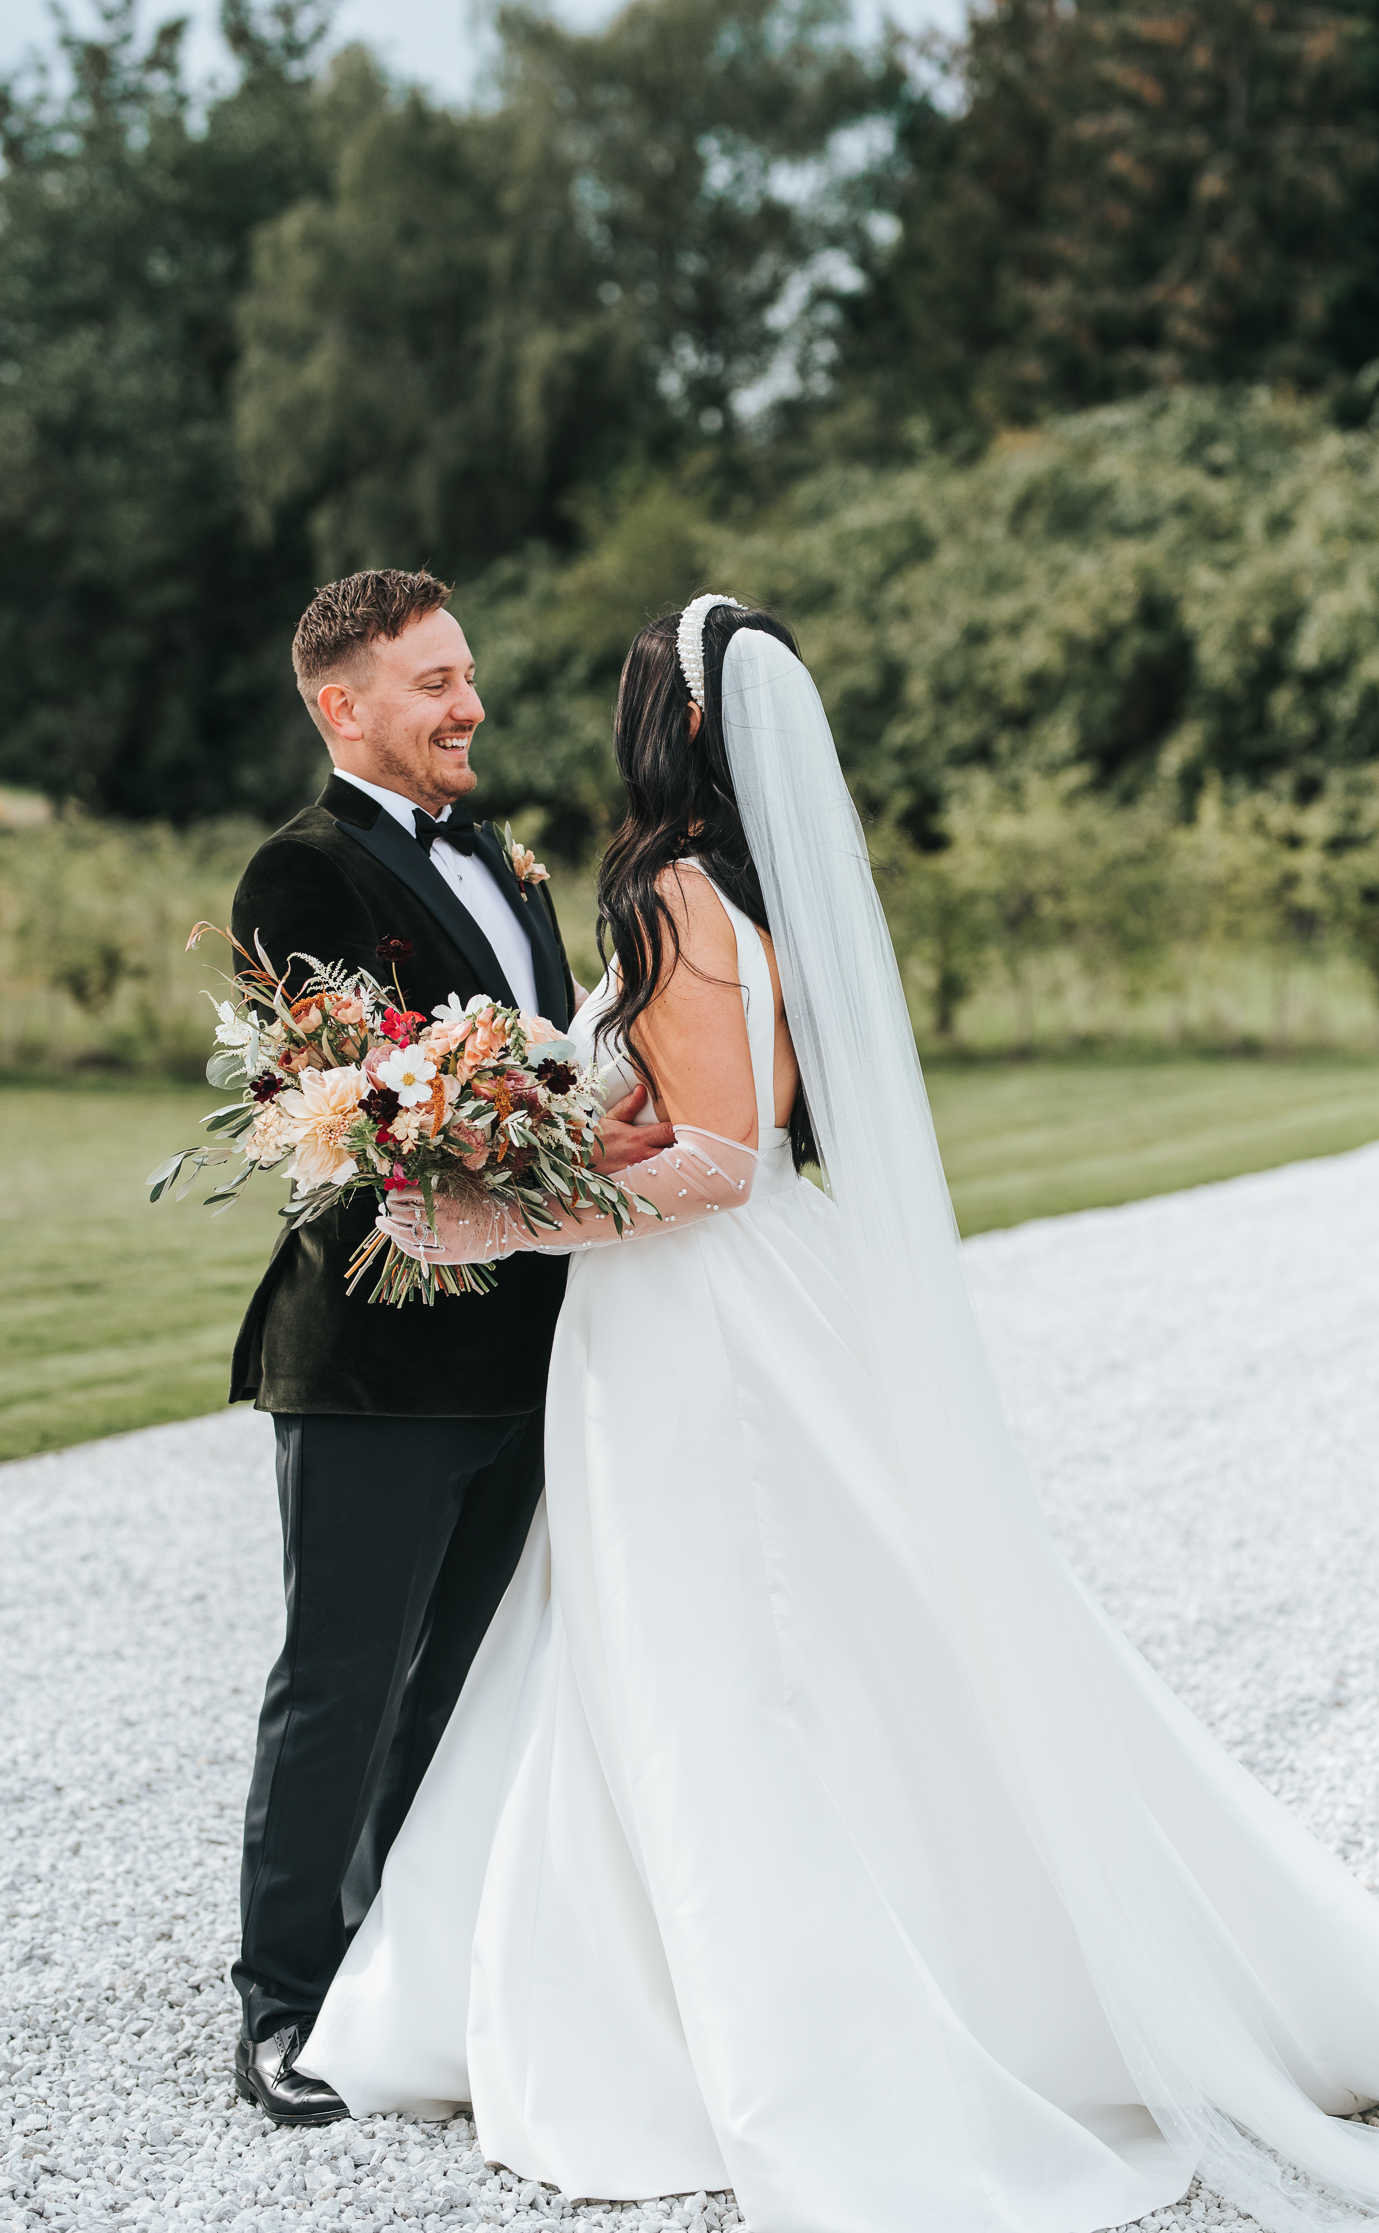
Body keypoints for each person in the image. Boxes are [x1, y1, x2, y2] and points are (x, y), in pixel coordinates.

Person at [296, 595, 1379, 2231]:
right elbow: (707, 1118)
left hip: (691, 1326)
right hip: (734, 1304)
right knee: (754, 1640)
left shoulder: (664, 886)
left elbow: (716, 1164)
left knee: (713, 1656)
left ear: (667, 719)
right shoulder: (748, 879)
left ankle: (762, 2028)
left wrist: (506, 1212)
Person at [225, 568, 672, 2125]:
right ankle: (282, 2002)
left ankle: (403, 1981)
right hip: (371, 1359)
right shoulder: (296, 877)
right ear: (344, 706)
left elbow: (539, 1067)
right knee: (338, 1680)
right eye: (433, 683)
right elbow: (353, 1106)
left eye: (467, 673)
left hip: (528, 1346)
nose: (468, 703)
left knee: (461, 1682)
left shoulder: (511, 860)